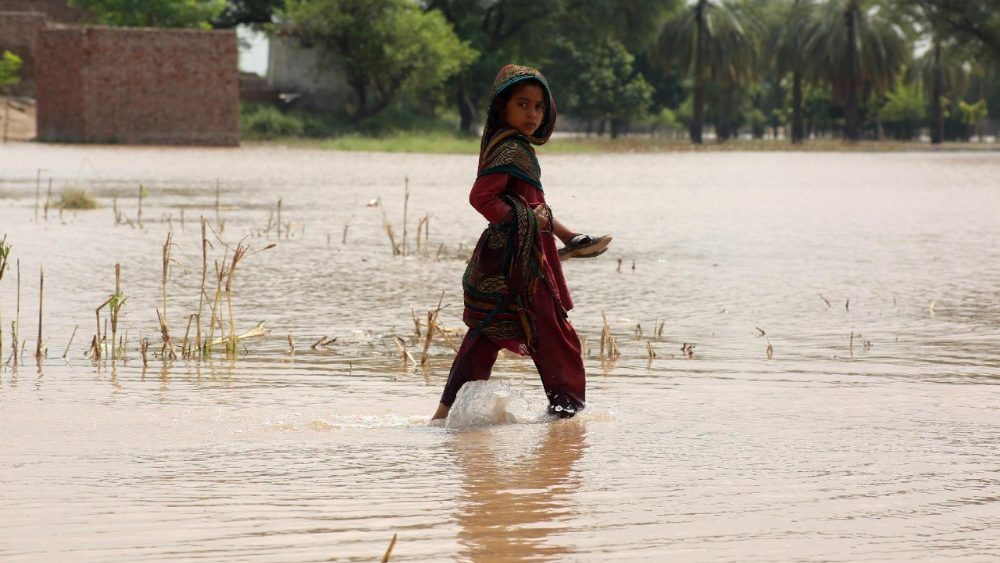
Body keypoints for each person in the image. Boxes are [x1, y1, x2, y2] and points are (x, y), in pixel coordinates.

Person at [431, 64, 611, 421]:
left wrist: (567, 236)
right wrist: (530, 222)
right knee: (557, 339)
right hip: (519, 262)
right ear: (503, 108)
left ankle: (442, 419)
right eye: (523, 104)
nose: (532, 114)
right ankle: (567, 421)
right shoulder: (511, 149)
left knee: (485, 335)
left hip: (506, 257)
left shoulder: (510, 146)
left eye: (539, 107)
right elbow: (482, 199)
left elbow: (532, 205)